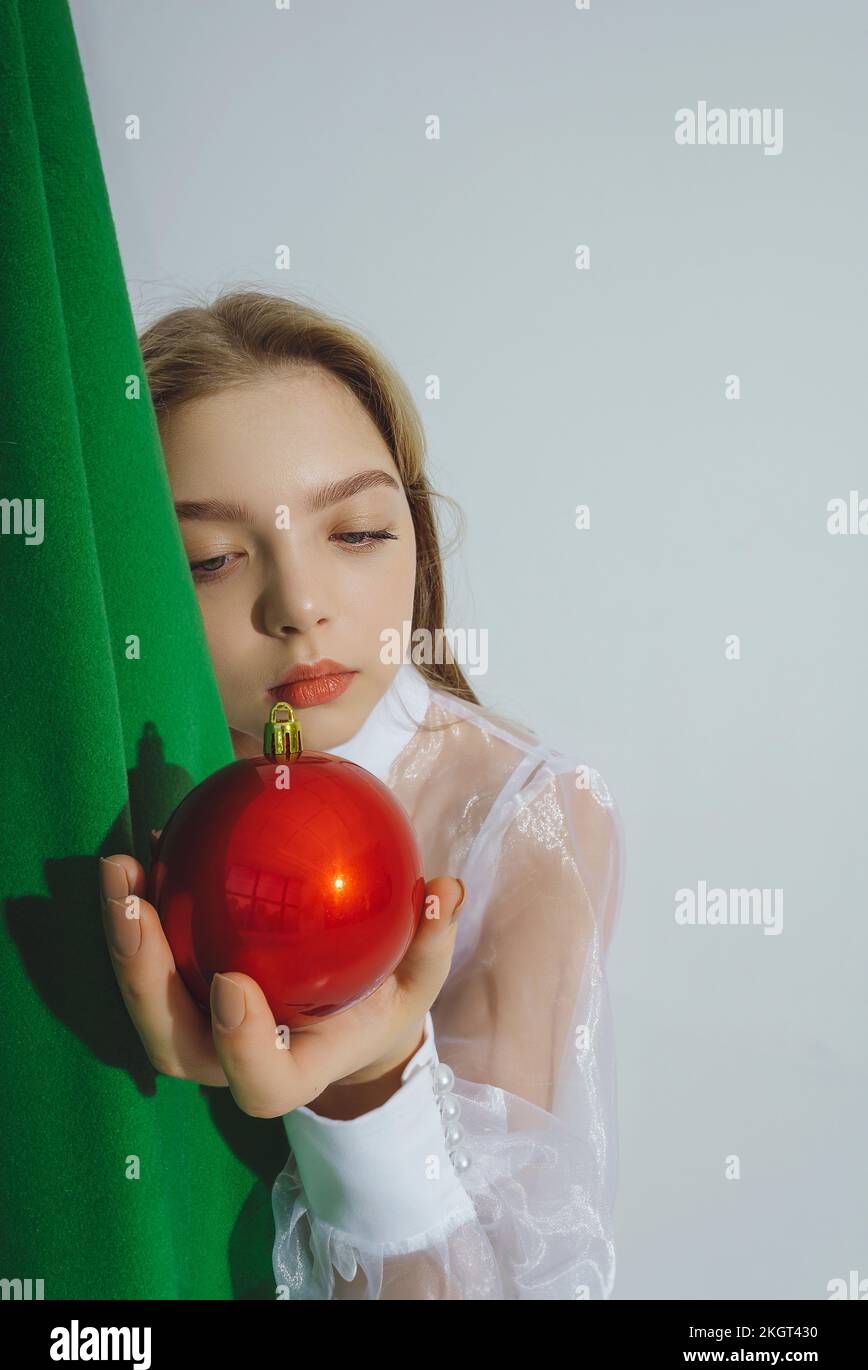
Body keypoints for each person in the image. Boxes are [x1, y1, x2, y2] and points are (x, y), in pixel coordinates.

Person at [97, 289, 626, 1299]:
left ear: (417, 533)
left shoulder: (528, 820)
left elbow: (511, 1284)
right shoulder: (113, 800)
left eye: (358, 533)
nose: (300, 606)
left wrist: (371, 1082)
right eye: (209, 558)